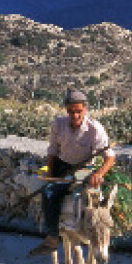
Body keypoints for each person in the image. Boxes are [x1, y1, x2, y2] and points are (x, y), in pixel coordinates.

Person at [28, 89, 115, 255]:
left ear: (85, 109)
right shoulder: (58, 124)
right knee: (48, 192)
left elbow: (110, 158)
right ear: (66, 110)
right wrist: (51, 174)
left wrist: (99, 174)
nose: (75, 116)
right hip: (63, 166)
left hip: (85, 169)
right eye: (71, 111)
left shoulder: (95, 129)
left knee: (90, 199)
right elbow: (53, 152)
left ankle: (98, 234)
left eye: (79, 111)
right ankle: (52, 237)